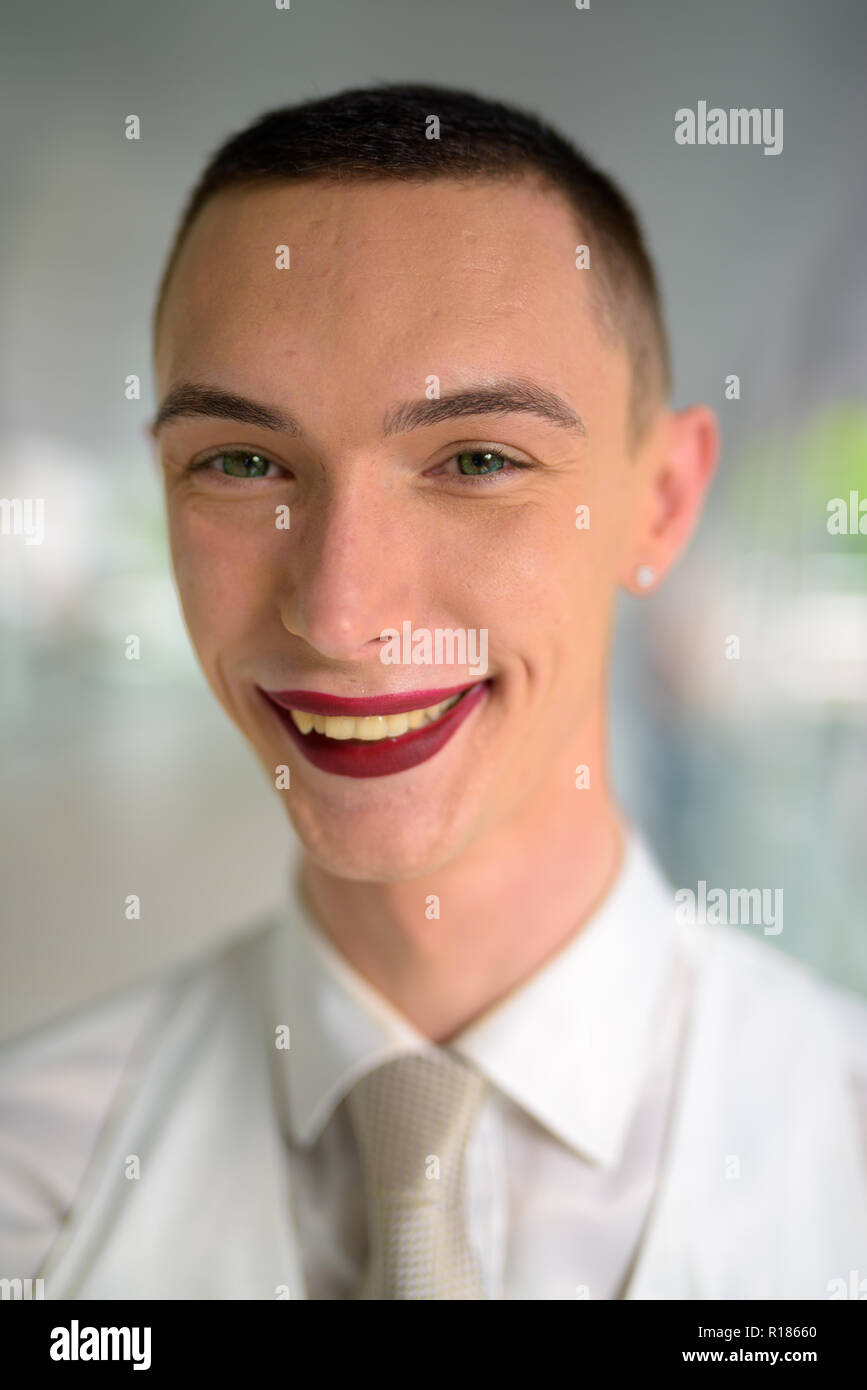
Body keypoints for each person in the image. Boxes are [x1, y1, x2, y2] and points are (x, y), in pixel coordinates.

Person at [1, 82, 865, 1302]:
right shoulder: (27, 1185)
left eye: (477, 460)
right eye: (242, 463)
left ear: (662, 502)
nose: (342, 616)